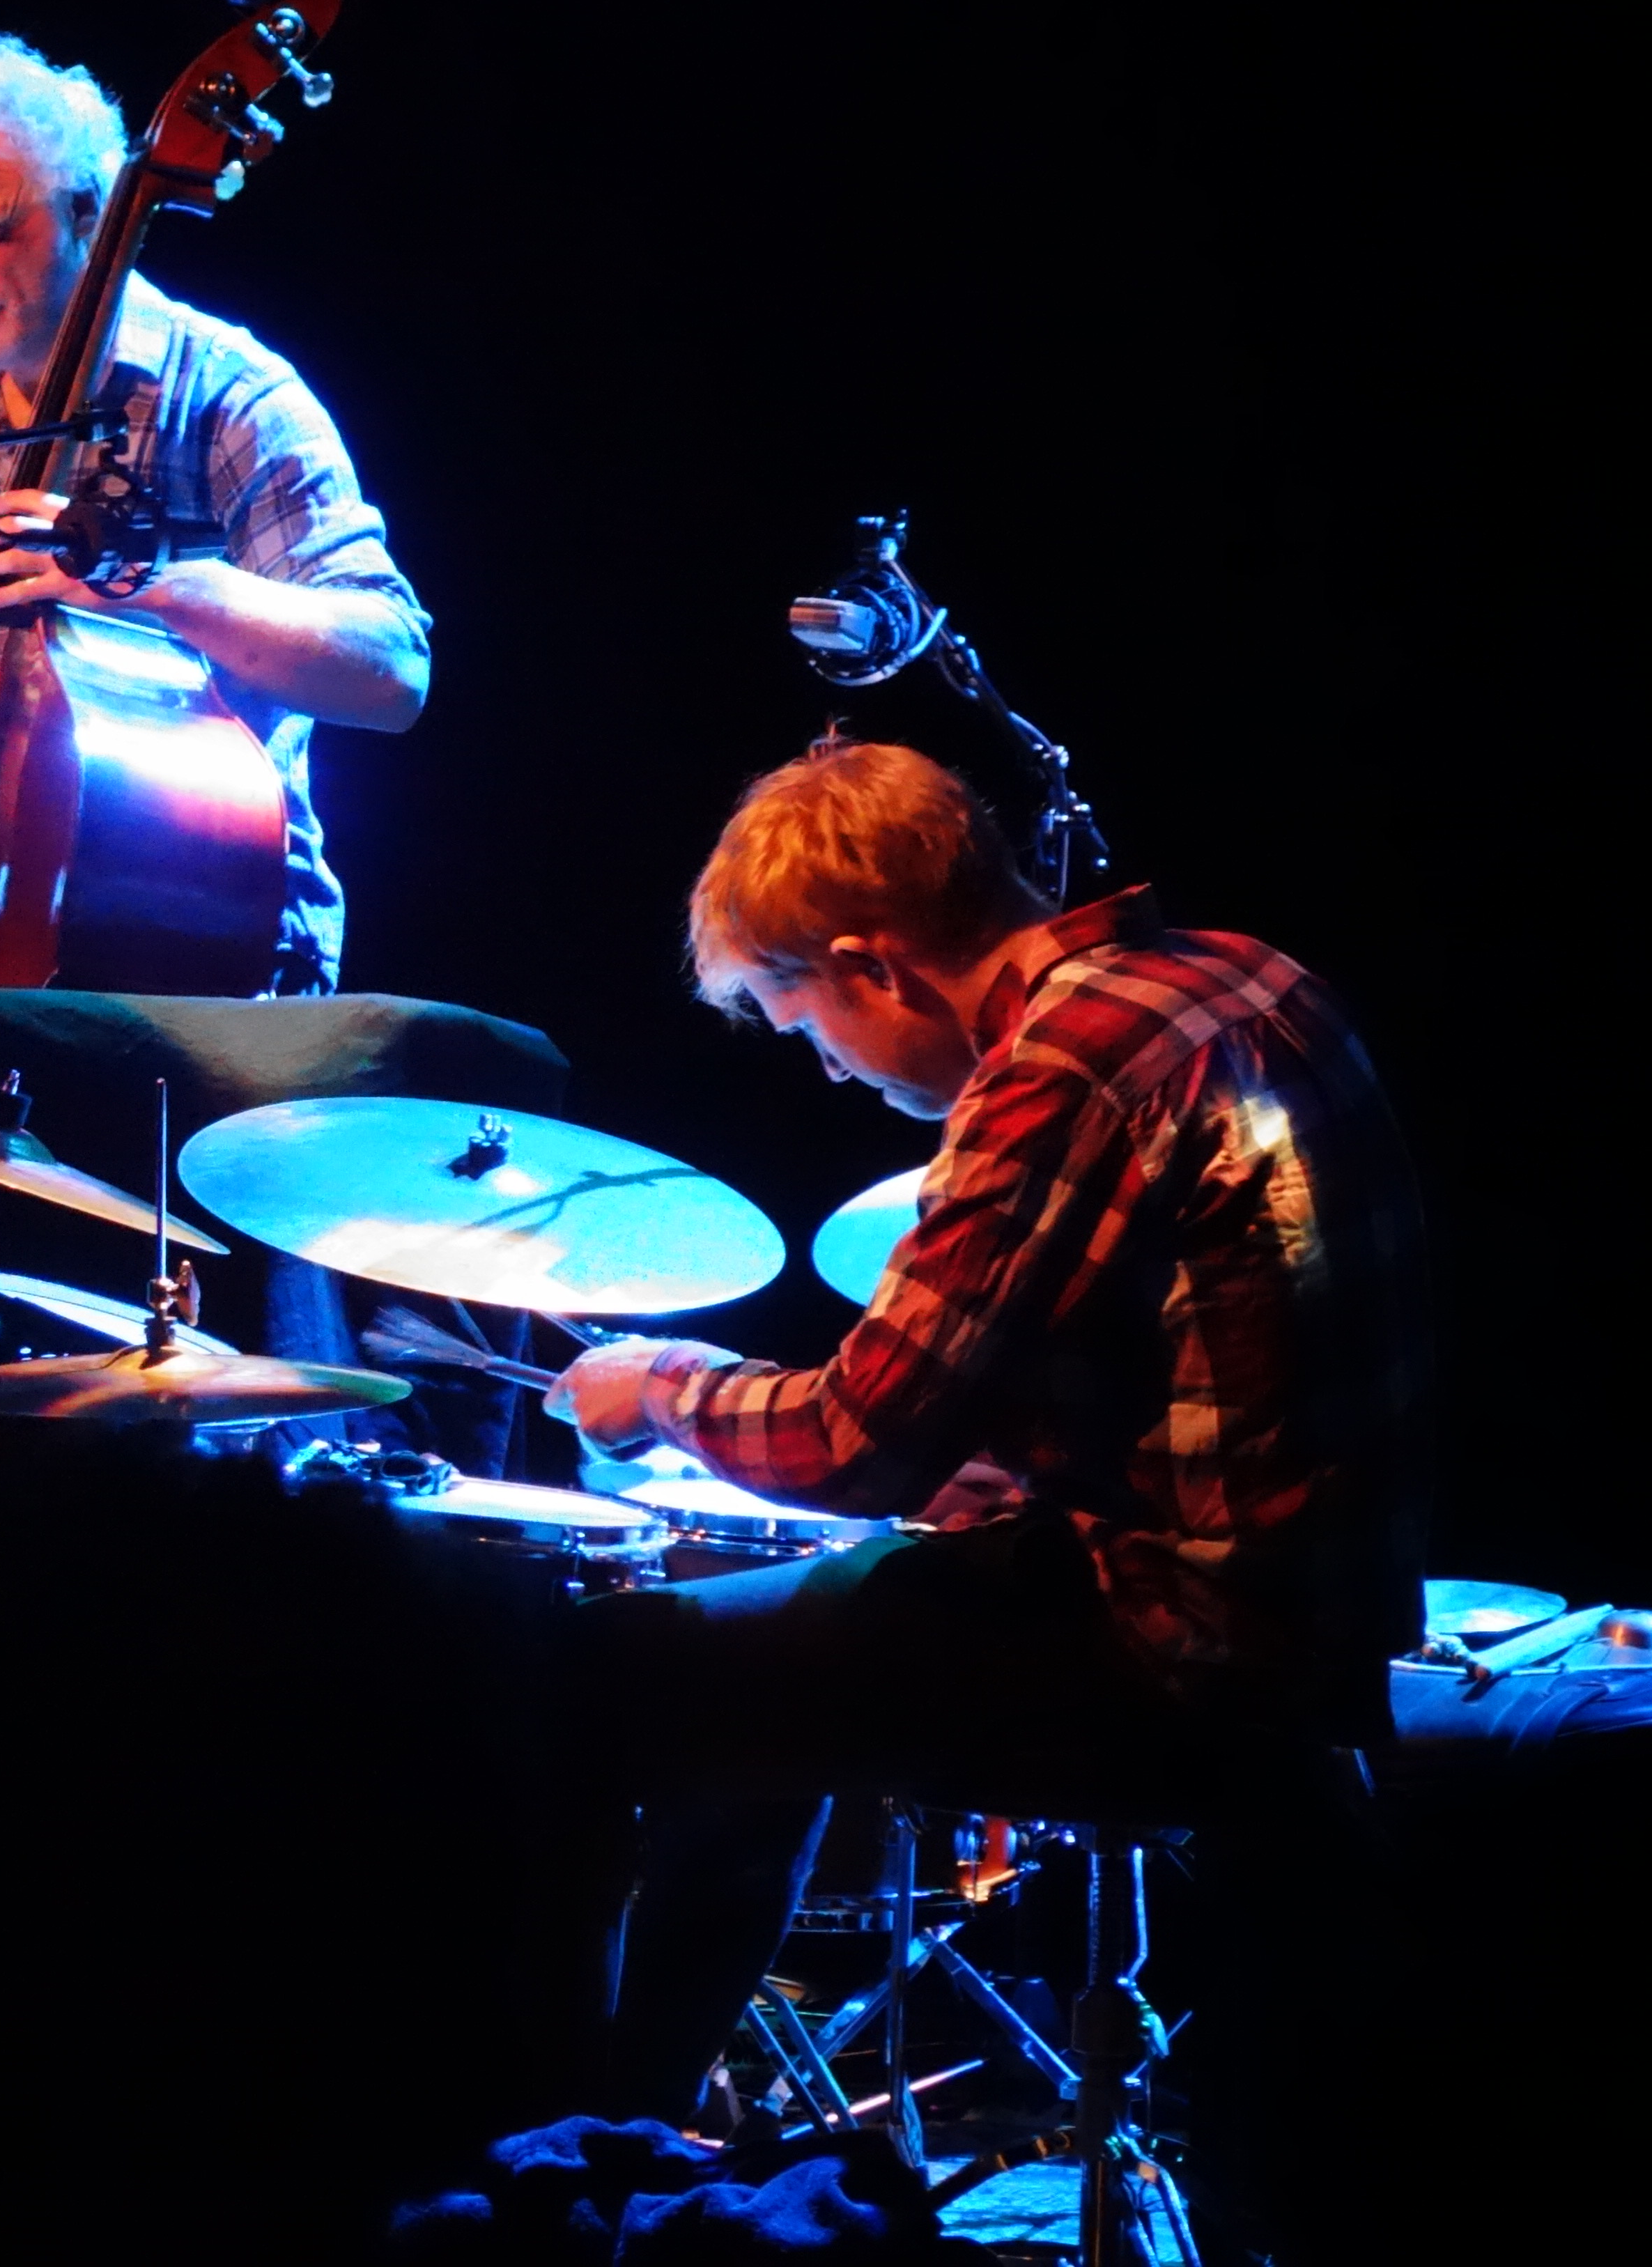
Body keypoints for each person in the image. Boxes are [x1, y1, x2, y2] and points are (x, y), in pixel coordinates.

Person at [547, 736, 1431, 2162]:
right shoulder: (1244, 979)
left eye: (808, 1023)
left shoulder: (1058, 1071)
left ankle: (563, 2162)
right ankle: (646, 2128)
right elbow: (1222, 1355)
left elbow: (851, 1445)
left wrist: (663, 1383)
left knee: (582, 1680)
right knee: (762, 1667)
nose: (832, 1071)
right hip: (1319, 1628)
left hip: (1173, 1662)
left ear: (875, 965)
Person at [0, 33, 427, 998]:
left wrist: (158, 586)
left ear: (90, 208)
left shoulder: (233, 399)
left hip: (208, 952)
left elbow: (391, 671)